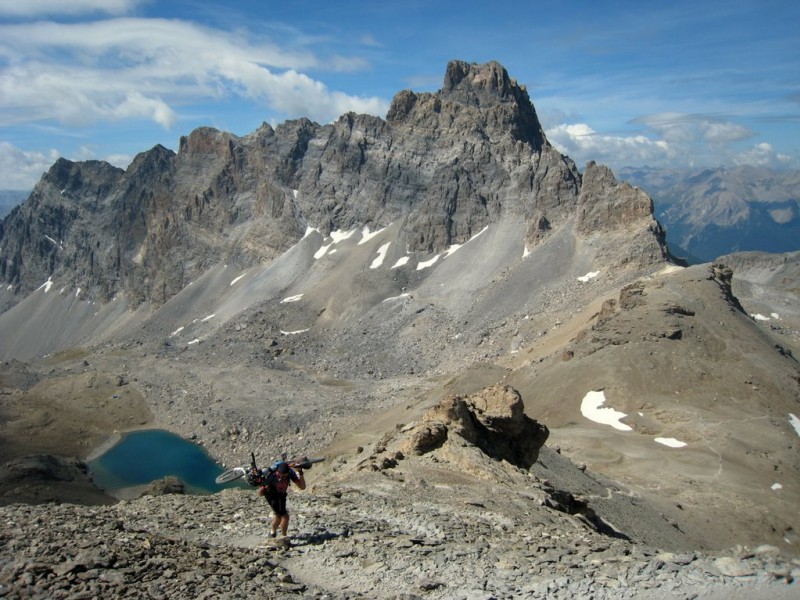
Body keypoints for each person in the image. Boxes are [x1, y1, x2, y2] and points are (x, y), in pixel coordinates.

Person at [258, 461, 306, 539]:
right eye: (282, 476)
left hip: (282, 495)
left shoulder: (290, 473)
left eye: (285, 476)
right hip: (272, 496)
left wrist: (300, 473)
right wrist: (263, 490)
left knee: (278, 515)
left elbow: (302, 487)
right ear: (277, 472)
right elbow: (261, 493)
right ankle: (284, 536)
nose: (283, 478)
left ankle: (272, 532)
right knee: (285, 516)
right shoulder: (271, 476)